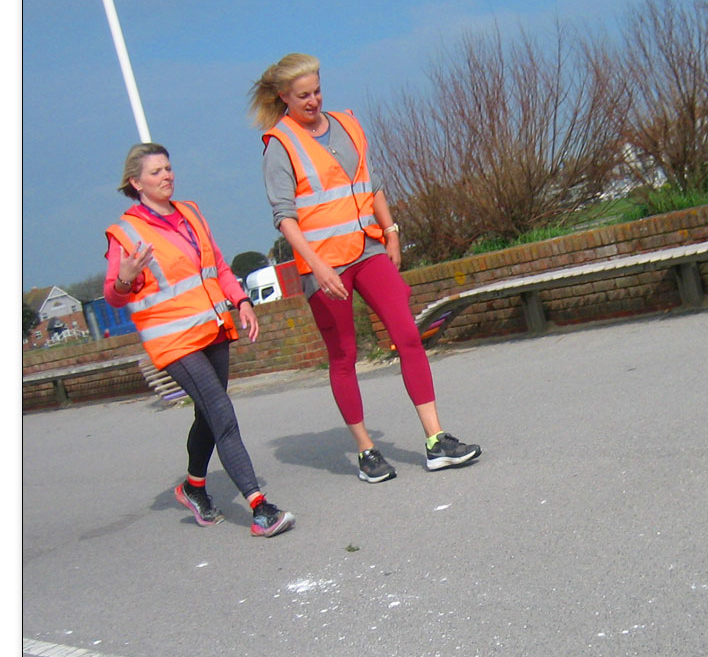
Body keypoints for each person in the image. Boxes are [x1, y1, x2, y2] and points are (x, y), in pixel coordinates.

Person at [249, 53, 481, 484]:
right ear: (284, 97)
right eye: (303, 95)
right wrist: (316, 267)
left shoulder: (348, 123)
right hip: (324, 266)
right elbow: (284, 217)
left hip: (368, 249)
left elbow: (370, 184)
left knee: (408, 334)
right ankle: (366, 451)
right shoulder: (279, 145)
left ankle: (436, 441)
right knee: (344, 356)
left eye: (317, 90)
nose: (314, 100)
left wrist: (391, 231)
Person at [104, 142, 295, 538]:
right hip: (174, 341)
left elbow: (218, 267)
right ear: (135, 182)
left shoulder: (190, 212)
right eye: (155, 172)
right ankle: (260, 508)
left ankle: (193, 487)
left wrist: (241, 299)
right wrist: (124, 276)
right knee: (221, 413)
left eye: (168, 168)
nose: (166, 176)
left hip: (212, 328)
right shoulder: (125, 232)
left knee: (208, 413)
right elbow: (115, 296)